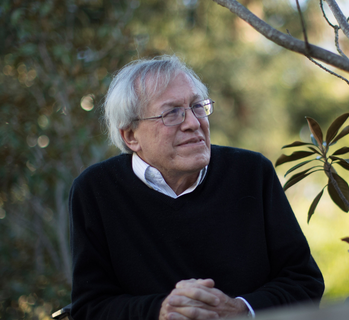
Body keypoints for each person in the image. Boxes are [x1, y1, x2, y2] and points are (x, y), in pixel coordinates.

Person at [69, 55, 325, 320]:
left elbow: (305, 283)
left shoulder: (251, 173)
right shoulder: (96, 191)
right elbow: (90, 308)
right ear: (131, 136)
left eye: (197, 107)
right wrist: (161, 312)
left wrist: (241, 310)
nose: (193, 122)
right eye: (172, 113)